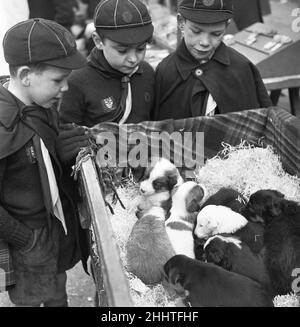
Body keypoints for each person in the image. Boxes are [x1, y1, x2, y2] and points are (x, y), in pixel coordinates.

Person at [0, 18, 91, 306]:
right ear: (26, 75)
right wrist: (24, 239)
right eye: (58, 80)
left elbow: (42, 155)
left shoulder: (42, 104)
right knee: (32, 298)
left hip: (53, 227)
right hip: (27, 235)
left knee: (56, 290)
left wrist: (60, 153)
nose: (66, 87)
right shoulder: (3, 127)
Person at [152, 0, 273, 121]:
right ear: (181, 22)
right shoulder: (166, 70)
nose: (205, 42)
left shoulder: (241, 68)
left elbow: (257, 125)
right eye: (196, 31)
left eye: (216, 34)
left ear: (226, 26)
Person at [59, 0, 155, 127]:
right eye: (122, 51)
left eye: (141, 49)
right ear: (98, 41)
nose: (133, 59)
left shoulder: (146, 72)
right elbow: (67, 134)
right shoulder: (77, 81)